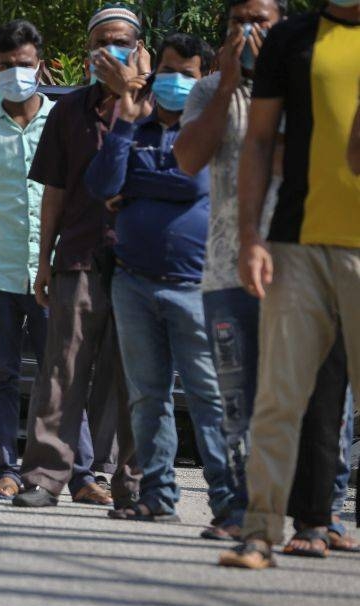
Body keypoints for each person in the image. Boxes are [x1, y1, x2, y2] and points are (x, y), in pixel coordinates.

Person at [218, 0, 360, 569]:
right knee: (279, 395)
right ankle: (259, 533)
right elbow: (257, 142)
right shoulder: (290, 38)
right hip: (297, 243)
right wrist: (250, 237)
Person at [83, 34, 233, 524]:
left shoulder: (212, 131)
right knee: (148, 397)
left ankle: (228, 502)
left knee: (208, 397)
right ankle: (158, 495)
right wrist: (124, 126)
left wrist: (139, 185)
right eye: (167, 70)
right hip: (133, 282)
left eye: (187, 73)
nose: (175, 81)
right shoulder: (134, 124)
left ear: (205, 79)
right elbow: (102, 185)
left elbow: (192, 180)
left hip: (195, 286)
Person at [13, 4, 146, 509]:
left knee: (135, 376)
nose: (110, 50)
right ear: (88, 51)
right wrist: (44, 260)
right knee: (61, 370)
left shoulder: (160, 105)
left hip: (143, 261)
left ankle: (134, 486)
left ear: (140, 49)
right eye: (101, 43)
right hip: (80, 255)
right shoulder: (68, 110)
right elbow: (54, 192)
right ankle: (44, 477)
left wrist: (133, 93)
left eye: (121, 42)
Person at [173, 0, 289, 539]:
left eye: (260, 20)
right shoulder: (207, 91)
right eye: (238, 21)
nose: (248, 30)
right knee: (236, 398)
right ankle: (241, 510)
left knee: (309, 396)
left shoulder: (303, 84)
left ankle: (321, 513)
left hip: (298, 265)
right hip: (225, 269)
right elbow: (189, 159)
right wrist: (227, 86)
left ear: (282, 26)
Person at [0, 20, 82, 502]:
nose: (15, 73)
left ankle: (80, 474)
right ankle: (9, 468)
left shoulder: (64, 122)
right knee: (3, 375)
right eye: (6, 65)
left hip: (55, 271)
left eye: (24, 64)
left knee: (63, 374)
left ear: (41, 66)